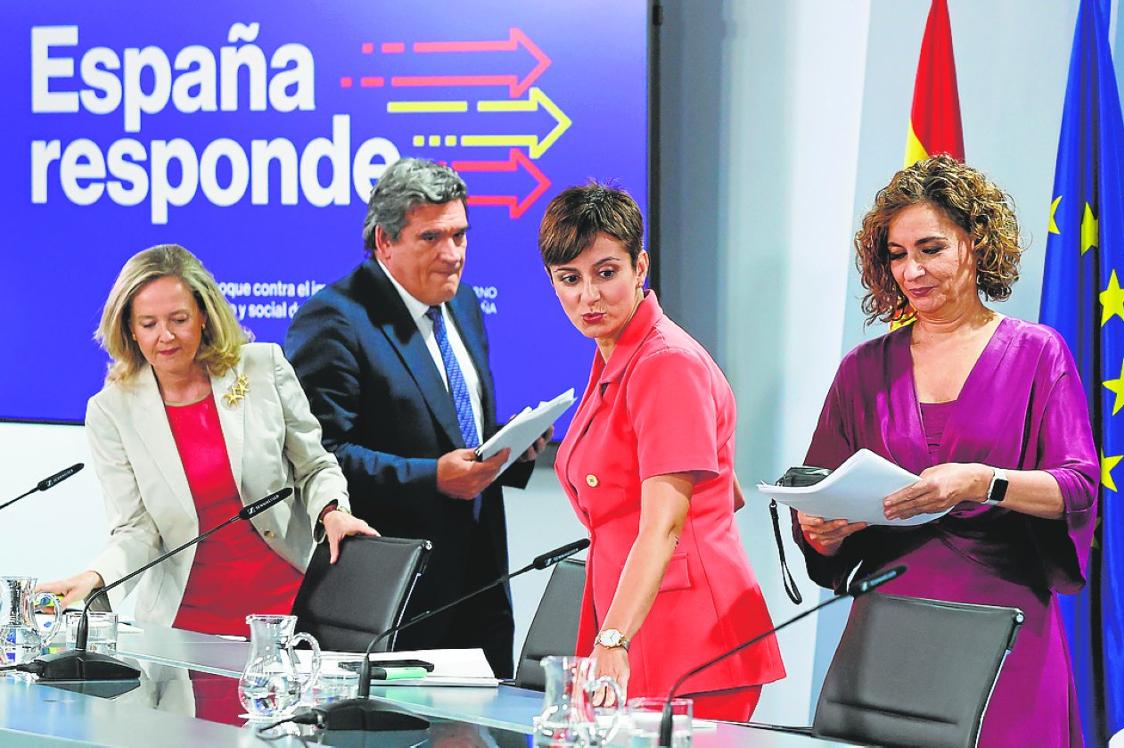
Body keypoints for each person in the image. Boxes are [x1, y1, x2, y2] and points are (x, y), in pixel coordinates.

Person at [796, 155, 1098, 745]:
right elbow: (817, 490)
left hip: (1002, 629)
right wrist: (821, 529)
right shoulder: (863, 370)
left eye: (930, 249)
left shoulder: (1038, 354)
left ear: (977, 243)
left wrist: (980, 481)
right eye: (897, 254)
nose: (912, 270)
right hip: (888, 629)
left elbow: (1079, 487)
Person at [286, 158, 549, 678]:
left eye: (460, 235)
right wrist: (434, 478)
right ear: (385, 242)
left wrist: (511, 451)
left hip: (480, 580)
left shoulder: (465, 304)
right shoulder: (335, 318)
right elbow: (319, 457)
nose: (452, 255)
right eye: (432, 238)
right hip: (392, 594)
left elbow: (459, 431)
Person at [38, 245, 376, 637]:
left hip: (286, 608)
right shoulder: (112, 411)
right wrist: (97, 577)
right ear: (129, 329)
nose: (165, 336)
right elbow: (137, 530)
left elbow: (314, 466)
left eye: (179, 319)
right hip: (187, 623)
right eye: (148, 324)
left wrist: (331, 510)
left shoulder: (263, 367)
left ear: (203, 315)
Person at [540, 183, 785, 721]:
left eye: (606, 272)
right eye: (570, 279)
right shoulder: (617, 356)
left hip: (686, 634)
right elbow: (726, 490)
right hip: (639, 617)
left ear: (639, 265)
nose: (590, 296)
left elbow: (664, 525)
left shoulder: (663, 362)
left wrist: (613, 638)